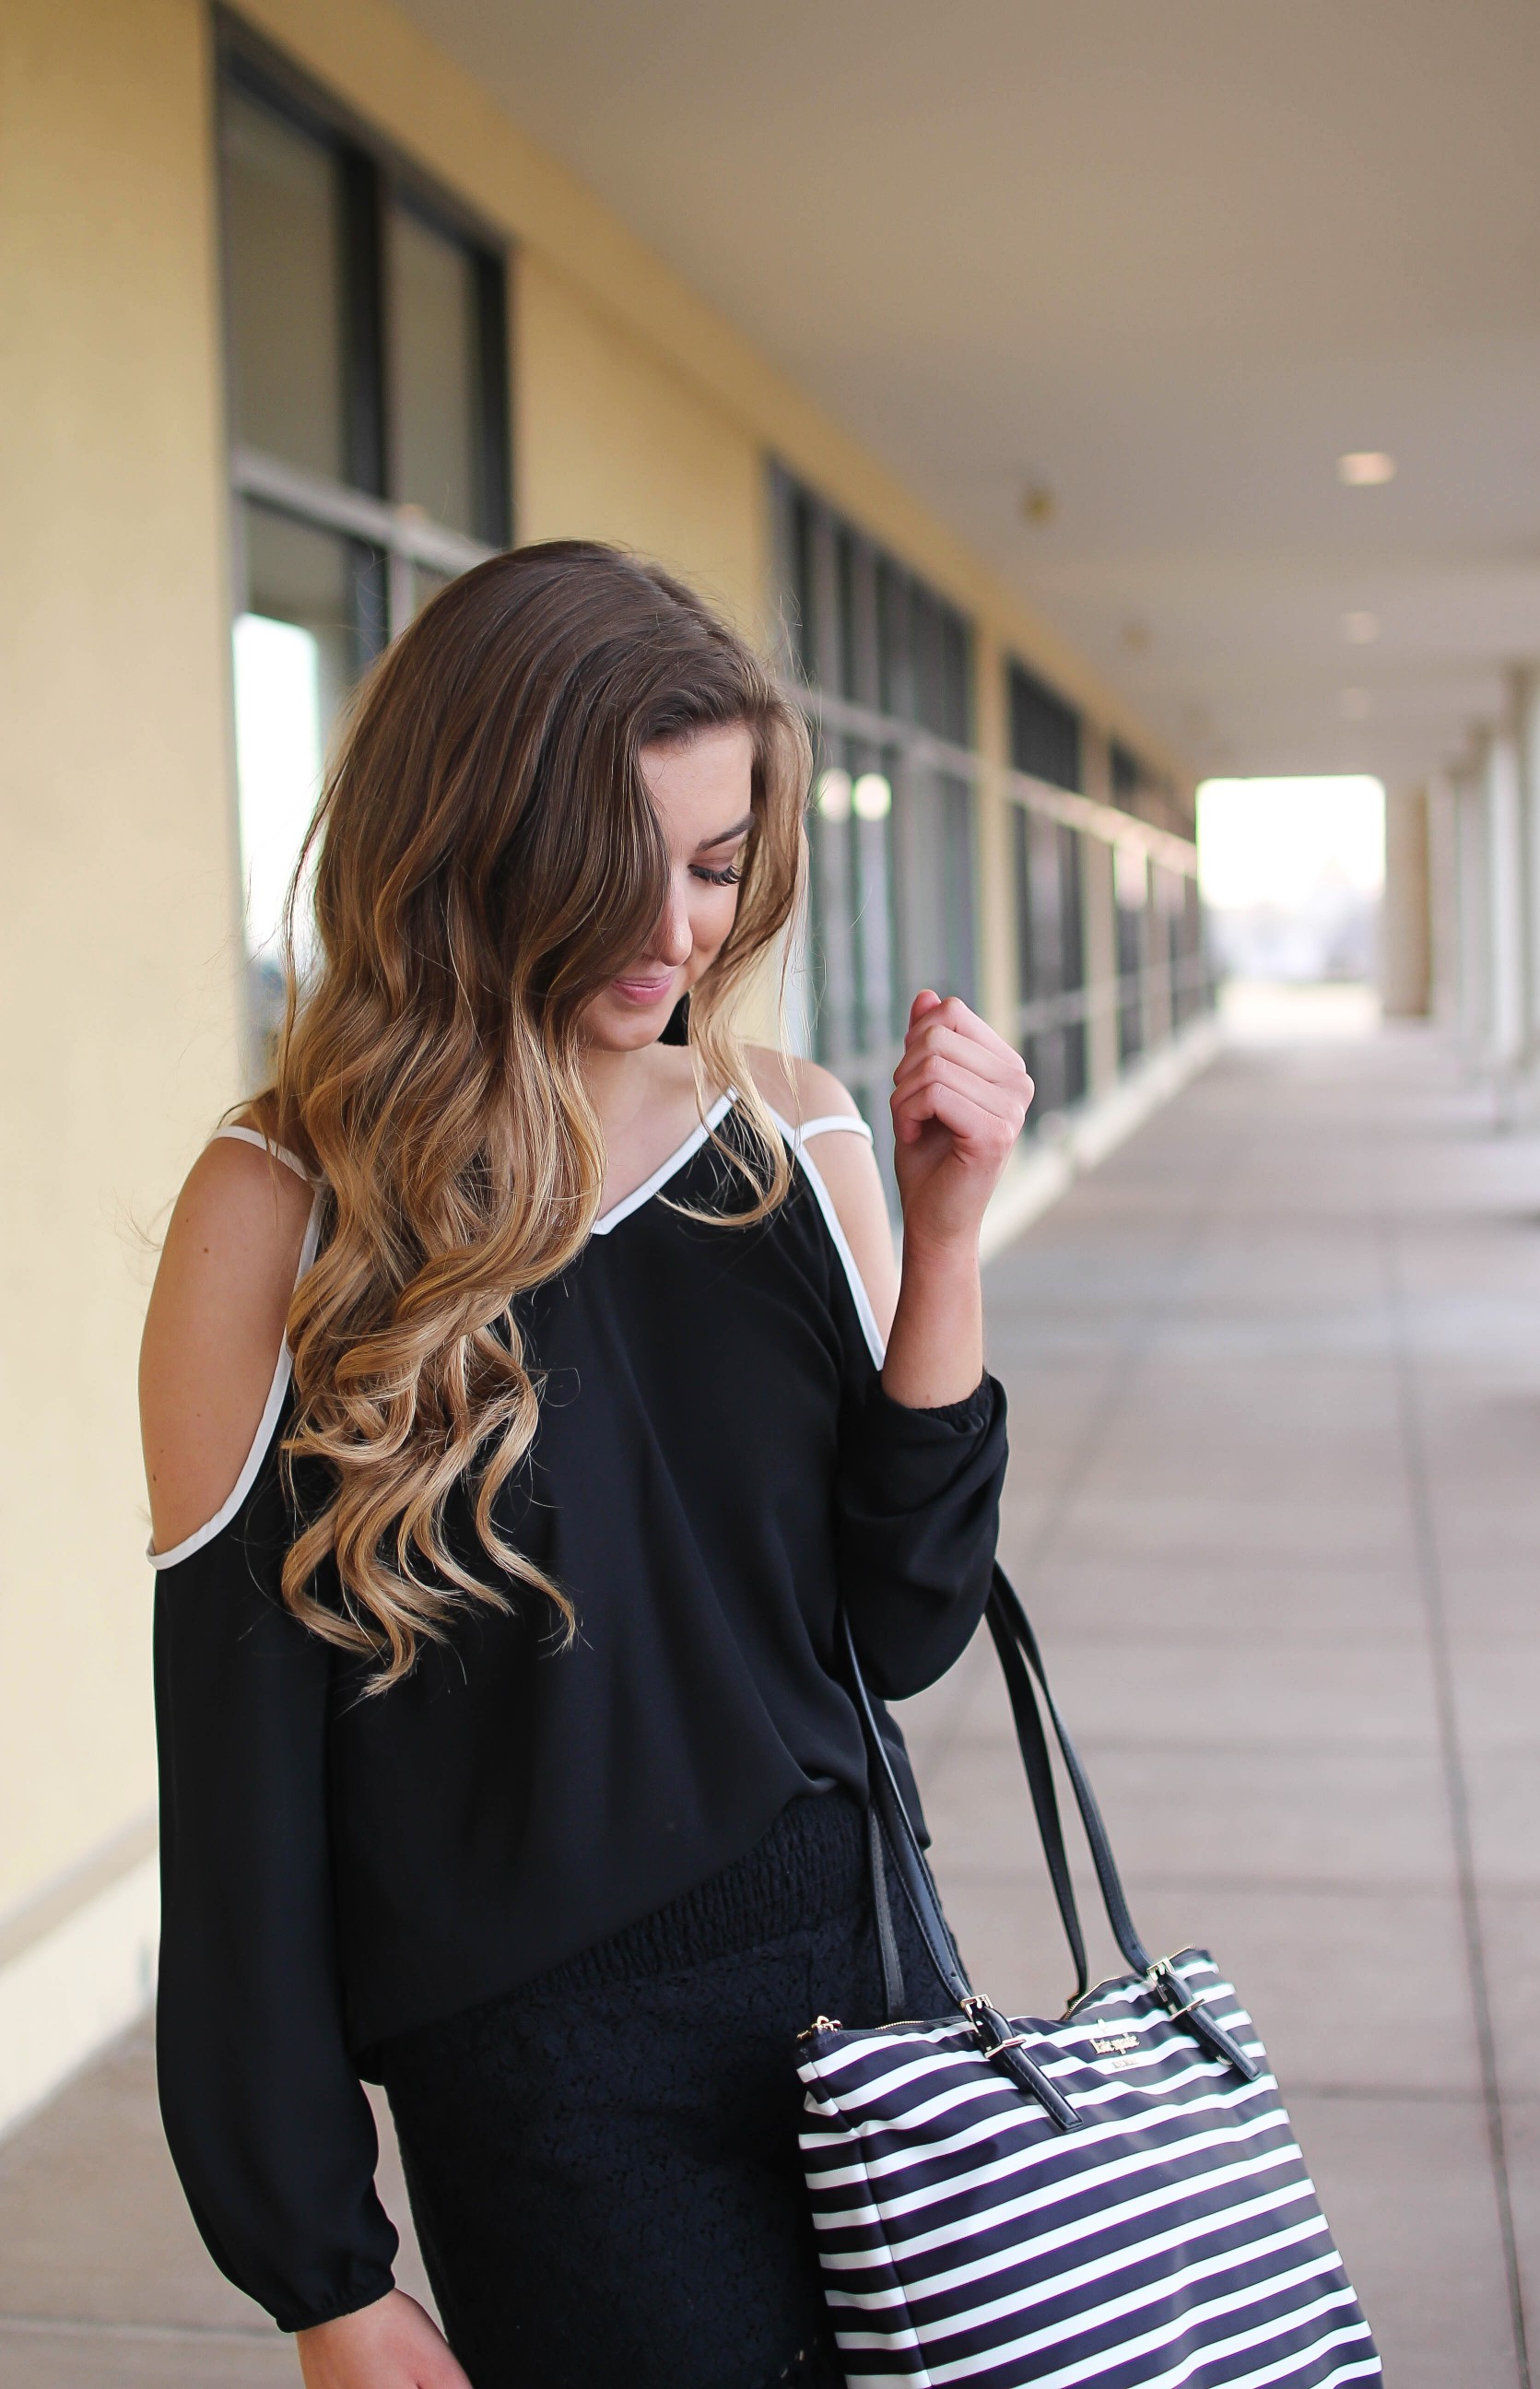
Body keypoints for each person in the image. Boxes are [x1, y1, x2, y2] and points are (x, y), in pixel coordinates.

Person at [140, 542, 1030, 2389]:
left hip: (864, 2006)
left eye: (720, 867)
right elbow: (238, 1798)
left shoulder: (790, 1141)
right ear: (471, 842)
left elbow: (908, 1622)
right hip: (551, 2097)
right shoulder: (280, 1211)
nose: (685, 929)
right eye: (625, 867)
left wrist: (943, 1250)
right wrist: (324, 2271)